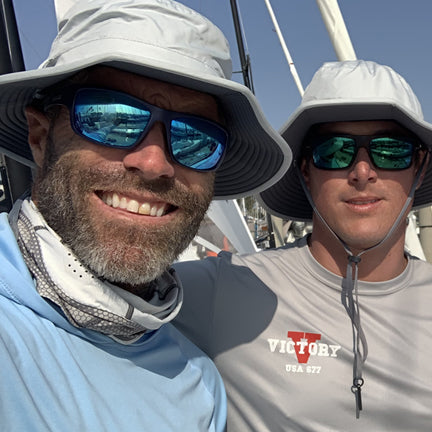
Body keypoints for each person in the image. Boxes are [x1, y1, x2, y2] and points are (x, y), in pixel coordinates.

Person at [0, 0, 291, 430]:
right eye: (111, 117)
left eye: (195, 138)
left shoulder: (200, 385)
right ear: (41, 138)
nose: (154, 163)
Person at [174, 60, 432, 431]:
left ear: (419, 168)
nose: (362, 171)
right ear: (306, 170)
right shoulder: (223, 290)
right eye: (335, 151)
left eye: (391, 150)